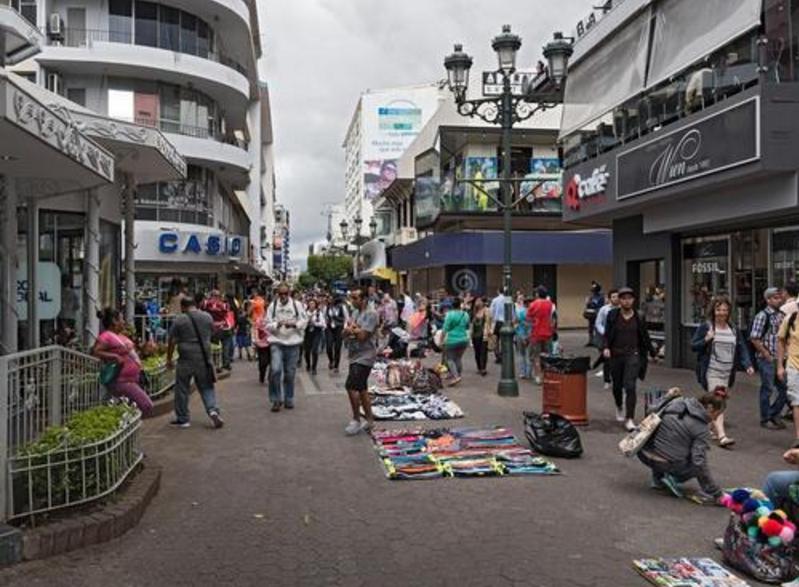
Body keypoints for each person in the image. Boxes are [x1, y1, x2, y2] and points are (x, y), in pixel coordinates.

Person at [637, 391, 724, 504]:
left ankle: (657, 479)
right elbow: (698, 462)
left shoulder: (676, 402)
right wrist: (716, 492)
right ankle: (673, 479)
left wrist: (667, 397)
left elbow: (650, 411)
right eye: (717, 414)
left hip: (644, 453)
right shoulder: (702, 429)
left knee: (667, 439)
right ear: (710, 408)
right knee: (696, 463)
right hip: (667, 463)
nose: (716, 418)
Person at [691, 295, 754, 448]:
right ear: (713, 310)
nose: (722, 313)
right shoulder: (706, 327)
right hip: (711, 370)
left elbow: (741, 348)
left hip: (727, 372)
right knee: (718, 402)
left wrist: (747, 365)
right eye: (719, 309)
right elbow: (694, 346)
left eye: (725, 310)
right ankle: (722, 436)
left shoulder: (733, 329)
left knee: (720, 403)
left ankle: (704, 427)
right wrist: (706, 339)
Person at [603, 287, 658, 432]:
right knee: (617, 386)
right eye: (623, 298)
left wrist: (653, 353)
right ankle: (619, 405)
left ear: (633, 300)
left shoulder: (639, 316)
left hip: (633, 355)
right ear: (619, 301)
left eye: (629, 298)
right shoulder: (612, 315)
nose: (627, 301)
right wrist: (606, 347)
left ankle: (629, 419)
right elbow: (607, 334)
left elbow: (645, 337)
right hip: (616, 355)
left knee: (630, 386)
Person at [166, 297, 223, 429]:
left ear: (183, 307)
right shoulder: (207, 317)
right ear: (195, 305)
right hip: (204, 357)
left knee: (182, 388)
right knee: (206, 386)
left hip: (185, 358)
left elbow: (172, 341)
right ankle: (212, 410)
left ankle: (183, 418)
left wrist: (169, 359)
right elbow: (213, 334)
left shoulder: (180, 320)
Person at [92, 308, 153, 416]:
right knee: (146, 405)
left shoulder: (121, 335)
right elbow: (96, 351)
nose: (124, 322)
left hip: (132, 379)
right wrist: (114, 356)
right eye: (121, 319)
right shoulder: (106, 336)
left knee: (129, 407)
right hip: (121, 380)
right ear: (114, 321)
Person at [751, 287, 789, 430]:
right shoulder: (762, 316)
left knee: (785, 388)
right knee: (767, 388)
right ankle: (765, 418)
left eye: (779, 297)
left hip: (780, 358)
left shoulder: (781, 315)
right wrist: (766, 354)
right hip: (766, 359)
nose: (779, 300)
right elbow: (754, 338)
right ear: (768, 300)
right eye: (775, 298)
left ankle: (773, 413)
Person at [266, 283, 307, 412]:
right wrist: (277, 324)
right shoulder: (272, 306)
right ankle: (276, 399)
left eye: (285, 294)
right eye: (280, 294)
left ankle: (289, 398)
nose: (283, 296)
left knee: (290, 373)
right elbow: (267, 324)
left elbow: (304, 321)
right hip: (276, 342)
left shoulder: (297, 305)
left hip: (293, 343)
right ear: (277, 294)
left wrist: (294, 324)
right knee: (275, 370)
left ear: (289, 293)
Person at [343, 288, 378, 436]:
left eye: (355, 298)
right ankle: (369, 420)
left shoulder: (372, 314)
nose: (352, 301)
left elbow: (363, 335)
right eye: (352, 298)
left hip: (365, 356)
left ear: (363, 299)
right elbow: (345, 332)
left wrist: (353, 329)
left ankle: (356, 419)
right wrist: (352, 330)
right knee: (362, 388)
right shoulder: (355, 313)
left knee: (351, 385)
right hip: (354, 354)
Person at [527, 286, 555, 386]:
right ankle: (546, 375)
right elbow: (552, 318)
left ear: (538, 294)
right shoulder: (550, 304)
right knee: (547, 355)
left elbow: (528, 318)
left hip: (536, 333)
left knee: (536, 356)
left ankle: (538, 376)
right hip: (548, 333)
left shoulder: (533, 304)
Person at [593, 289, 619, 390]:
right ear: (609, 298)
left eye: (617, 296)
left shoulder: (622, 309)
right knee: (607, 359)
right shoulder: (604, 309)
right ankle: (607, 380)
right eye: (613, 297)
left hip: (619, 338)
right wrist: (604, 331)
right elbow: (598, 323)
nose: (616, 299)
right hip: (607, 337)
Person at [201, 289, 233, 371]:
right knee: (225, 346)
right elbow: (227, 313)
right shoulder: (224, 305)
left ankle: (215, 365)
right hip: (224, 327)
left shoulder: (206, 303)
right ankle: (225, 364)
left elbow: (202, 310)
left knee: (214, 348)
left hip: (211, 327)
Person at [442, 297, 470, 385]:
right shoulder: (465, 314)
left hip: (452, 340)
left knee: (449, 359)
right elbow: (467, 326)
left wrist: (441, 339)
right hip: (463, 339)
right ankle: (458, 374)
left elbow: (445, 329)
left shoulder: (450, 315)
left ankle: (455, 376)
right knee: (458, 358)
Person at [325, 295, 348, 372]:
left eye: (332, 299)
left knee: (337, 347)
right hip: (330, 328)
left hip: (339, 328)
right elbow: (326, 316)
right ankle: (331, 360)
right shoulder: (328, 307)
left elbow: (346, 318)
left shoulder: (342, 307)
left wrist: (344, 328)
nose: (330, 301)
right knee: (329, 346)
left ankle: (336, 365)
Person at [303, 299, 326, 375]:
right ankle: (308, 364)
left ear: (315, 305)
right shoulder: (305, 313)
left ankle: (314, 367)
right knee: (307, 351)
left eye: (313, 304)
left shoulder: (319, 313)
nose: (312, 305)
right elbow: (301, 324)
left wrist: (315, 323)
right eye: (310, 304)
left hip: (316, 333)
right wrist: (307, 322)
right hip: (307, 333)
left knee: (315, 350)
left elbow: (323, 324)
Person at [470, 297, 491, 376]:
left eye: (479, 301)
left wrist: (489, 331)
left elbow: (490, 321)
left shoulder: (487, 311)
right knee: (477, 352)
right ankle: (479, 367)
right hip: (475, 334)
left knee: (483, 351)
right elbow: (471, 323)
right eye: (476, 301)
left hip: (483, 334)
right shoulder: (474, 312)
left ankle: (483, 368)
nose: (477, 302)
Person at [514, 294, 532, 380]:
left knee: (522, 355)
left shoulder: (520, 312)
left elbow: (516, 322)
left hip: (520, 335)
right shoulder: (533, 313)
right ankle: (529, 373)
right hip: (531, 336)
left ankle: (522, 373)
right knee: (529, 355)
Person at [253, 305, 271, 385]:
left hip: (272, 343)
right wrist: (256, 340)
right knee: (263, 362)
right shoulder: (259, 319)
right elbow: (256, 329)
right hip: (262, 344)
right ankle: (262, 376)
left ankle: (271, 377)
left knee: (273, 362)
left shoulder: (273, 319)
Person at [490, 289, 508, 364]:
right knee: (504, 340)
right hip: (505, 322)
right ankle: (503, 355)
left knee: (496, 340)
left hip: (497, 322)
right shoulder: (507, 300)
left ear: (498, 291)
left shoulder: (495, 300)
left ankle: (497, 356)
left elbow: (491, 311)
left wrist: (492, 320)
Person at [584, 281, 605, 347]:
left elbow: (601, 305)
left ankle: (597, 341)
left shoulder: (601, 297)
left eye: (593, 290)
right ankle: (591, 341)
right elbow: (588, 306)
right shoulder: (591, 297)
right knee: (590, 328)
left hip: (597, 314)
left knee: (597, 328)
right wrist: (587, 302)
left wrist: (594, 306)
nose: (592, 291)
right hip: (591, 314)